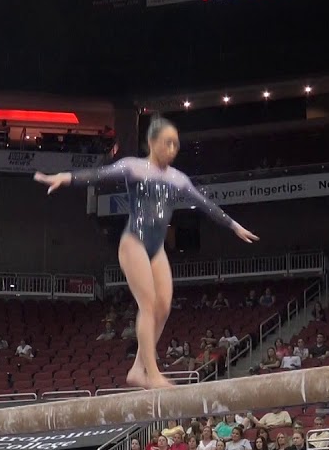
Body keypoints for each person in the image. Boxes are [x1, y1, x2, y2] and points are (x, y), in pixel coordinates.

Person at [34, 117, 259, 389]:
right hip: (134, 243)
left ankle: (137, 368)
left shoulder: (178, 178)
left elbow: (205, 204)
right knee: (149, 306)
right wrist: (66, 177)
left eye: (176, 144)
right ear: (151, 142)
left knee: (163, 308)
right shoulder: (134, 167)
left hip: (156, 248)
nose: (173, 148)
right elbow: (98, 175)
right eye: (167, 142)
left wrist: (233, 226)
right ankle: (152, 373)